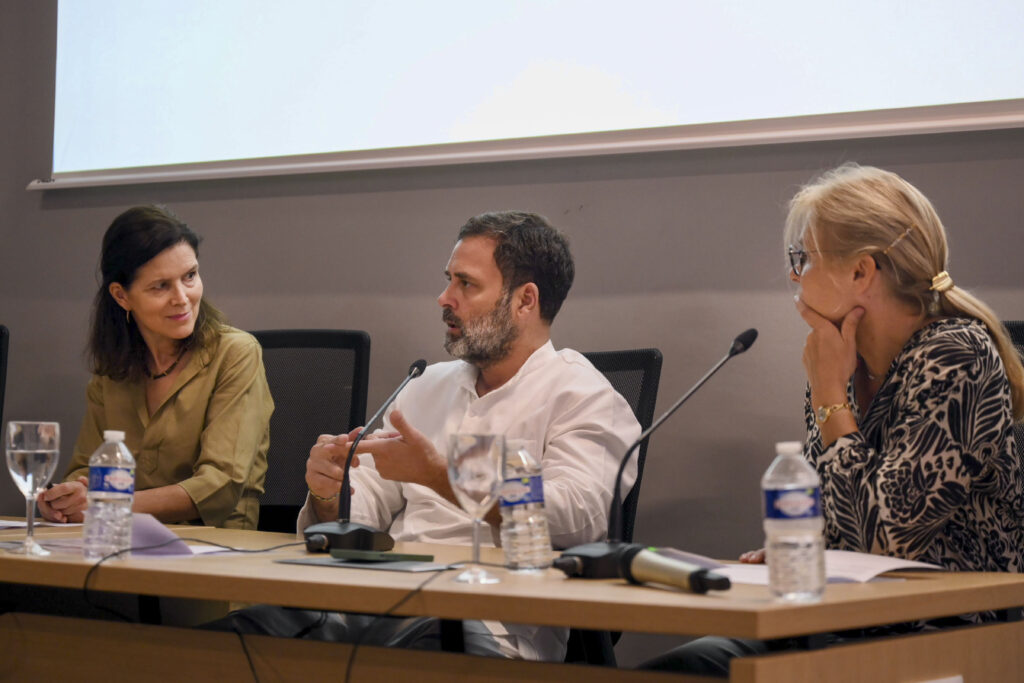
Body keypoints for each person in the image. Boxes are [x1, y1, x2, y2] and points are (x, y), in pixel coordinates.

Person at [641, 164, 1024, 675]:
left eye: (803, 258)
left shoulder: (956, 354)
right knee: (683, 669)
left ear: (862, 272)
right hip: (846, 620)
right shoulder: (844, 363)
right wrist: (800, 550)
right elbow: (842, 518)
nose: (795, 275)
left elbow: (887, 532)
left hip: (947, 636)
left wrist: (828, 397)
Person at [214, 211, 641, 660]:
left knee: (423, 644)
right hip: (377, 602)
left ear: (525, 300)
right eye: (447, 280)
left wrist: (444, 476)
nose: (444, 297)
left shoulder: (584, 396)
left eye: (466, 284)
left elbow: (576, 516)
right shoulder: (426, 384)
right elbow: (368, 504)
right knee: (236, 637)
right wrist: (329, 493)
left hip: (490, 625)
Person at [37, 206, 273, 530]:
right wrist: (66, 499)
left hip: (215, 549)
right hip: (121, 542)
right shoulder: (112, 369)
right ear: (122, 296)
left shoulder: (236, 353)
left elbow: (220, 485)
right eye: (160, 286)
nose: (182, 298)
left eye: (190, 276)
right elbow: (86, 472)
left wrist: (106, 506)